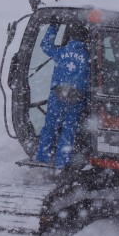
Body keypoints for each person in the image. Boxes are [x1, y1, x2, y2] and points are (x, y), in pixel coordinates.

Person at [36, 23, 90, 169]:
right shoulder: (88, 57)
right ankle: (62, 161)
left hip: (57, 95)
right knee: (68, 130)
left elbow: (45, 45)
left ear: (71, 37)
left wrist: (54, 26)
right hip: (76, 99)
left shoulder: (60, 52)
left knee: (50, 126)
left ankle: (42, 157)